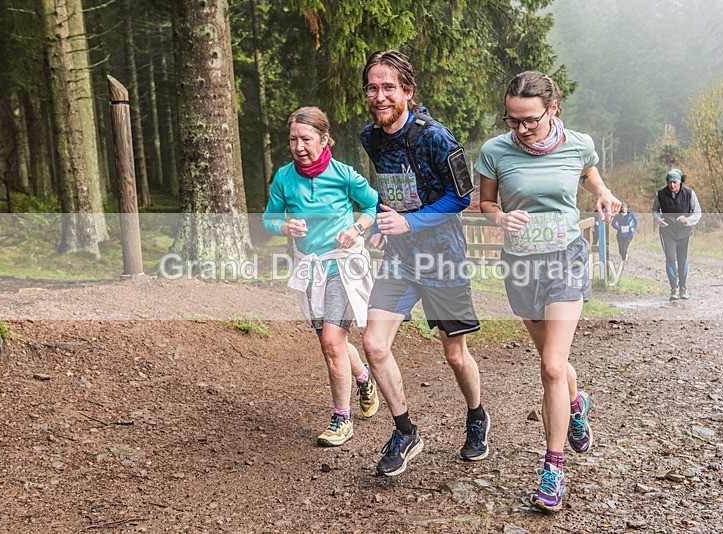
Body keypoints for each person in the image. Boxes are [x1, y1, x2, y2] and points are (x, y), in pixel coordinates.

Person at [476, 71, 621, 512]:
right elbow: (485, 203)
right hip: (520, 265)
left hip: (566, 260)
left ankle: (552, 468)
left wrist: (603, 192)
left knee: (553, 367)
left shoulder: (578, 142)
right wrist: (499, 218)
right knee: (551, 363)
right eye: (512, 120)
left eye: (530, 121)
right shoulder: (494, 151)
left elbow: (588, 171)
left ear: (552, 110)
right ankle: (578, 404)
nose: (520, 129)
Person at [359, 50, 490, 477]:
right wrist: (383, 220)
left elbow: (462, 198)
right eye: (373, 88)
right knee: (375, 345)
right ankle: (405, 431)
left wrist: (408, 222)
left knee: (454, 354)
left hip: (443, 258)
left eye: (389, 88)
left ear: (408, 92)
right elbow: (389, 187)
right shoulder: (371, 138)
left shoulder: (437, 137)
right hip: (399, 259)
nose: (380, 96)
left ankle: (476, 415)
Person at [262, 106, 380, 447]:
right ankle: (364, 378)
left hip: (342, 265)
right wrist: (283, 225)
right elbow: (268, 218)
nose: (299, 146)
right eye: (293, 139)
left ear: (325, 139)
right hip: (308, 268)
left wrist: (357, 228)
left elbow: (376, 205)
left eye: (306, 139)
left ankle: (341, 419)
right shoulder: (284, 177)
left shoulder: (343, 175)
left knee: (331, 341)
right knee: (333, 344)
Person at [651, 168, 701, 300]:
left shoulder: (690, 193)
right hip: (667, 231)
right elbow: (655, 209)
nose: (672, 185)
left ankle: (683, 287)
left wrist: (687, 220)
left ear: (680, 182)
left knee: (682, 259)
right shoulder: (660, 194)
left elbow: (697, 212)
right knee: (671, 258)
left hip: (684, 231)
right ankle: (674, 289)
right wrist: (658, 219)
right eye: (669, 182)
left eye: (675, 182)